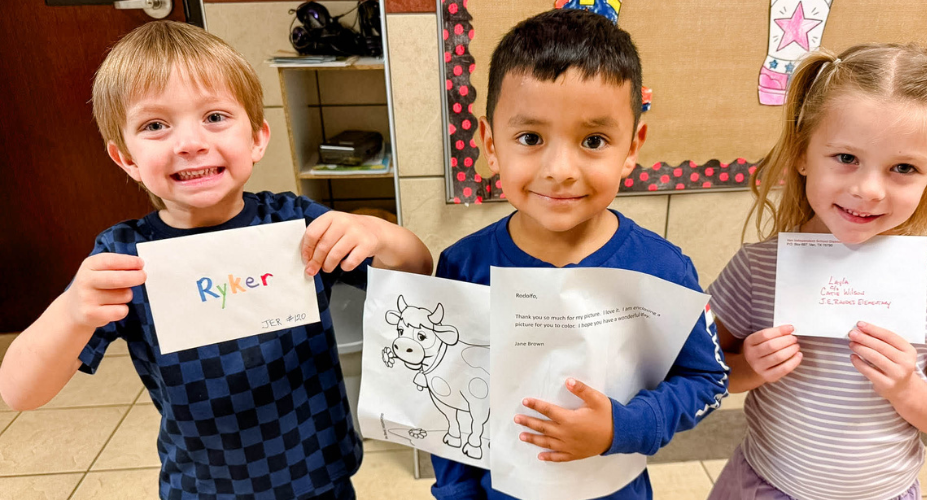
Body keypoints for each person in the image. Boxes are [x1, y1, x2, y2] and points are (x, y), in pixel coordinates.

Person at [0, 21, 432, 500]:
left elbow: (416, 274)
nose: (189, 142)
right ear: (125, 158)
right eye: (155, 126)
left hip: (319, 472)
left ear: (257, 138)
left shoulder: (296, 223)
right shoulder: (125, 257)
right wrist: (72, 311)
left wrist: (377, 233)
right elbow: (21, 392)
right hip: (204, 488)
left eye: (215, 117)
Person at [429, 9, 730, 499]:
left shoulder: (664, 268)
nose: (560, 169)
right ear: (489, 143)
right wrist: (456, 493)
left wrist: (625, 426)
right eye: (530, 138)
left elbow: (708, 379)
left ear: (632, 146)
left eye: (593, 140)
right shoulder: (463, 266)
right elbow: (445, 394)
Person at [706, 43, 927, 500]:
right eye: (846, 158)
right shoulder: (758, 268)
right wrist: (749, 368)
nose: (867, 190)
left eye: (903, 167)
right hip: (764, 486)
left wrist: (908, 389)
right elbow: (703, 374)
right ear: (802, 154)